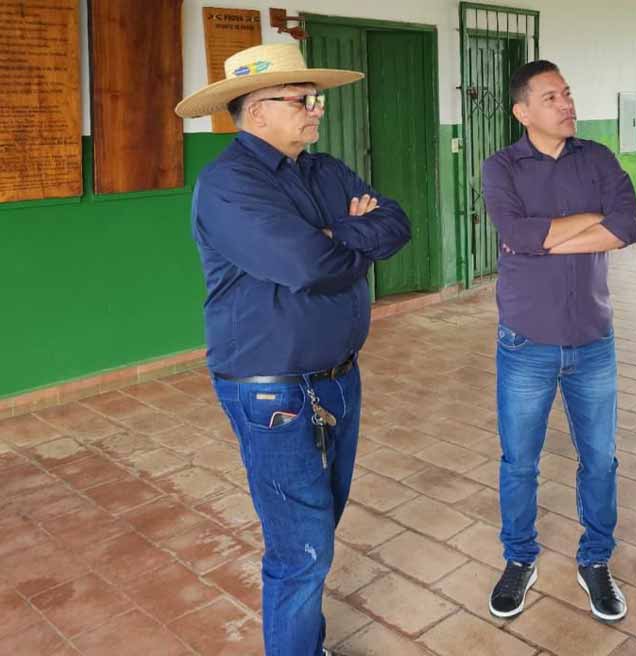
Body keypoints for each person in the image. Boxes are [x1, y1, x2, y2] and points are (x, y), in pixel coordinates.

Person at [174, 43, 410, 656]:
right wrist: (343, 237)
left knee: (318, 524)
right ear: (256, 114)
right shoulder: (227, 185)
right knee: (300, 547)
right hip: (270, 390)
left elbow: (397, 224)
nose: (316, 110)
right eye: (301, 101)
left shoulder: (325, 170)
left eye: (315, 99)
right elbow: (308, 264)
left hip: (337, 377)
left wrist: (336, 235)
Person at [481, 60, 636, 622]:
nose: (567, 104)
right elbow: (515, 234)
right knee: (519, 463)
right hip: (526, 342)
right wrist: (585, 223)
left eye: (568, 93)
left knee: (600, 461)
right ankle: (518, 558)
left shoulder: (596, 158)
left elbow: (628, 226)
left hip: (594, 340)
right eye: (552, 97)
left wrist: (547, 238)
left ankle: (596, 561)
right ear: (523, 112)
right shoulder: (501, 167)